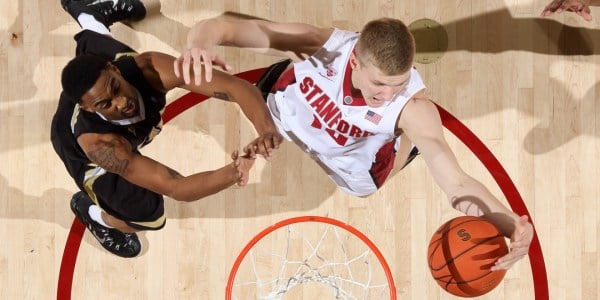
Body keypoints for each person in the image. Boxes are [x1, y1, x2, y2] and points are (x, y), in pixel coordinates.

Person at [175, 17, 534, 271]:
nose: (390, 94)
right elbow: (222, 25)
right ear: (356, 61)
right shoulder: (321, 46)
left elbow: (457, 183)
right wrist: (198, 46)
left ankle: (408, 149)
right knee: (225, 87)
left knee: (391, 167)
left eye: (400, 83)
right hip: (283, 108)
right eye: (380, 84)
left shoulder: (411, 107)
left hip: (350, 168)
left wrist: (509, 225)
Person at [51, 0, 282, 258]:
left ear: (114, 70)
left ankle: (88, 14)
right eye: (107, 104)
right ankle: (96, 217)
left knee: (98, 48)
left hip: (109, 80)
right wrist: (233, 172)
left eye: (116, 89)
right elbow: (176, 187)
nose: (122, 103)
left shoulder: (147, 68)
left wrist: (266, 130)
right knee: (147, 215)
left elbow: (236, 88)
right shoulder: (101, 146)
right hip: (83, 155)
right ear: (91, 109)